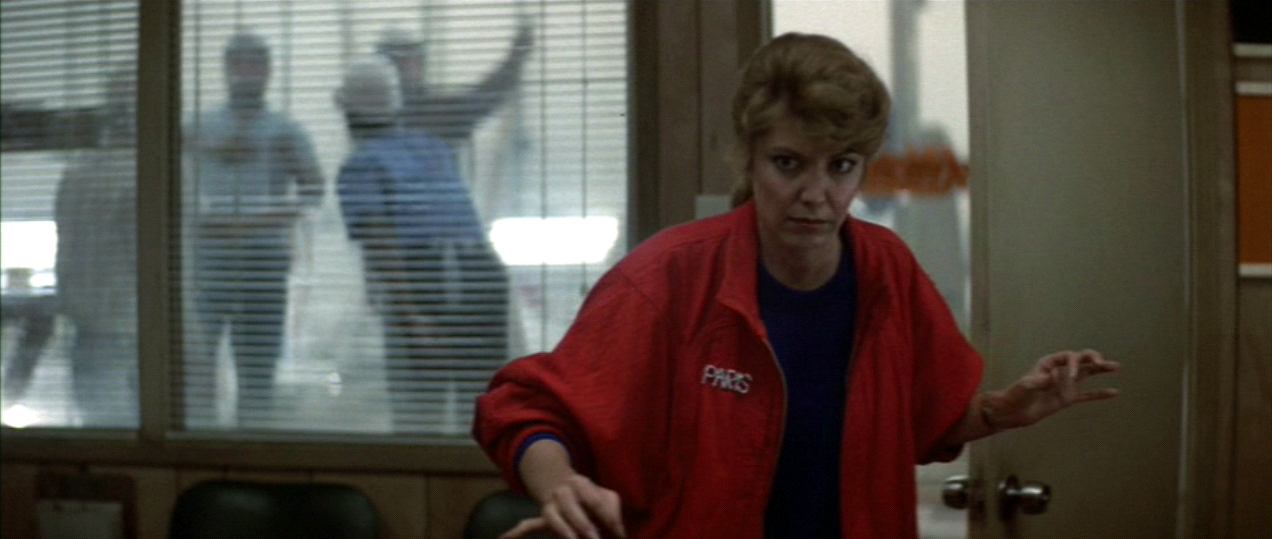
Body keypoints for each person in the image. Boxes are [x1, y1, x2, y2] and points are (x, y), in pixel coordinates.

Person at [473, 33, 1121, 538]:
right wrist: (559, 485)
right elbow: (523, 407)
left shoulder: (887, 271)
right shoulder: (669, 277)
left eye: (841, 166)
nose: (816, 194)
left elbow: (929, 422)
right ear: (749, 159)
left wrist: (1007, 409)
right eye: (789, 163)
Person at [335, 56, 508, 434]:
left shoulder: (360, 166)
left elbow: (381, 243)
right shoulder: (433, 147)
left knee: (419, 415)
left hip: (428, 278)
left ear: (346, 113)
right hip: (482, 275)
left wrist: (411, 317)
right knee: (482, 414)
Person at [185, 31, 324, 427]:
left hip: (263, 259)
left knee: (257, 368)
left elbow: (313, 189)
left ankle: (250, 441)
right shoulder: (198, 127)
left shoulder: (285, 132)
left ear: (268, 71)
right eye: (238, 64)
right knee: (197, 362)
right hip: (209, 258)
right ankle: (199, 444)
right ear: (226, 69)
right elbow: (168, 180)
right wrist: (206, 151)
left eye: (255, 64)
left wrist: (259, 221)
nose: (246, 73)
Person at [51, 67, 139, 426]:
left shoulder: (80, 172)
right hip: (110, 324)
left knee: (107, 428)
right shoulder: (146, 172)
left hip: (107, 322)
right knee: (110, 430)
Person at [374, 22, 532, 147]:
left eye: (416, 58)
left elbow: (481, 99)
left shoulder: (431, 110)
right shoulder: (378, 117)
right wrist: (516, 57)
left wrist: (515, 58)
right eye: (404, 60)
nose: (413, 66)